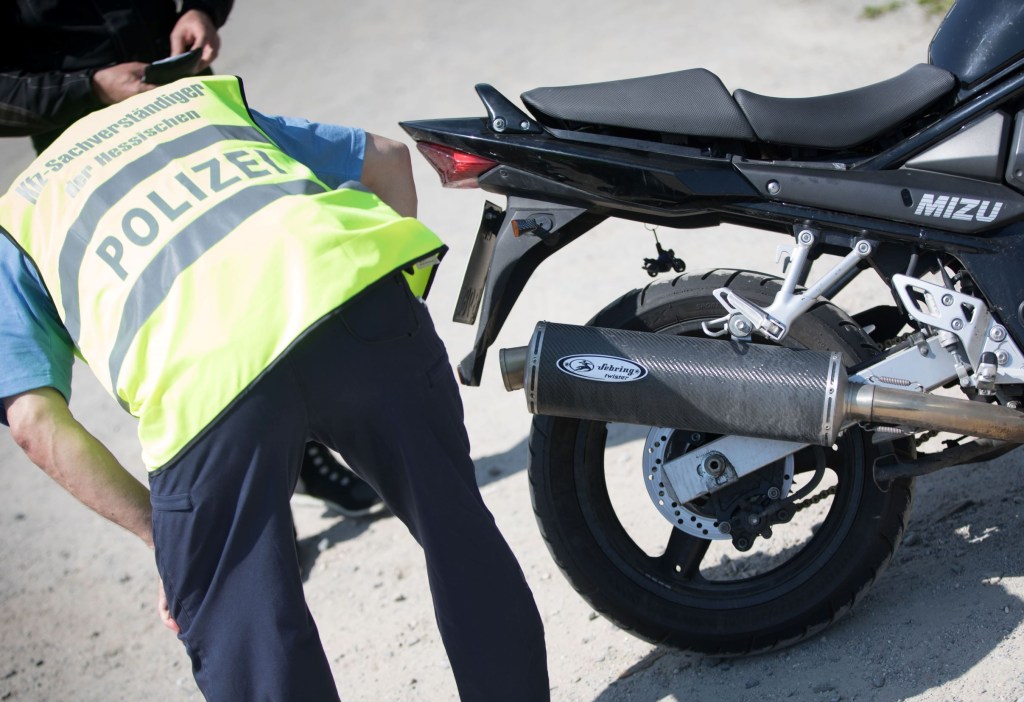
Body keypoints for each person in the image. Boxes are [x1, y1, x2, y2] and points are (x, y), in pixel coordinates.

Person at [0, 75, 549, 700]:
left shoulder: (19, 218)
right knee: (458, 533)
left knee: (245, 624)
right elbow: (388, 159)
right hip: (353, 298)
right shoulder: (193, 103)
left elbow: (35, 423)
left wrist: (164, 538)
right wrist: (396, 315)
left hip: (207, 384)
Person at [0, 0, 384, 517]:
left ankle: (303, 453)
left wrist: (202, 9)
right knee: (177, 330)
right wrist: (90, 86)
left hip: (188, 113)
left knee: (255, 281)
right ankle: (259, 504)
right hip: (90, 168)